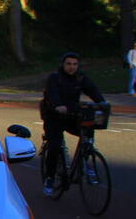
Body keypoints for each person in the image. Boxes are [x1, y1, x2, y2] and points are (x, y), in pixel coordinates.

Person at [40, 52, 106, 196]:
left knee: (88, 129)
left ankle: (86, 160)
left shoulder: (80, 78)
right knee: (55, 146)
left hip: (71, 115)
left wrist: (102, 103)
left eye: (74, 64)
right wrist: (57, 105)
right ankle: (50, 178)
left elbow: (92, 90)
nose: (71, 67)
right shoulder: (55, 78)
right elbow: (52, 94)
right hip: (54, 116)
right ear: (63, 65)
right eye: (68, 64)